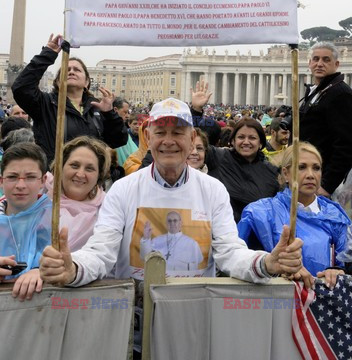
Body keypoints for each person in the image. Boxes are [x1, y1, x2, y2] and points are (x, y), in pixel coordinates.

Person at [40, 97, 304, 290]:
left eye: (178, 133)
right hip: (133, 314)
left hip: (192, 312)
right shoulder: (123, 189)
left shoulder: (213, 190)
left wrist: (267, 263)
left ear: (192, 140)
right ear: (148, 137)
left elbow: (229, 252)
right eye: (160, 133)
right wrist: (72, 268)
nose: (168, 141)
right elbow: (101, 252)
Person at [238, 142, 351, 288]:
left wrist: (337, 271)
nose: (310, 175)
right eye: (302, 167)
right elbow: (241, 260)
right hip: (275, 301)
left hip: (324, 302)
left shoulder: (335, 214)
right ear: (286, 173)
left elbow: (346, 261)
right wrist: (277, 269)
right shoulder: (259, 213)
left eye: (316, 168)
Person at [12, 34, 128, 164]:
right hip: (56, 177)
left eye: (77, 70)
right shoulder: (45, 104)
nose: (71, 72)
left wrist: (109, 113)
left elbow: (119, 140)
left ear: (87, 82)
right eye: (66, 70)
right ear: (57, 81)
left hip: (90, 176)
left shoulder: (97, 108)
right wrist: (48, 54)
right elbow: (21, 88)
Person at [190, 82, 279, 222]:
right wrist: (196, 110)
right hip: (221, 232)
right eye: (241, 137)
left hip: (256, 236)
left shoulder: (272, 171)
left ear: (261, 142)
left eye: (252, 138)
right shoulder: (218, 157)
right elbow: (193, 138)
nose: (246, 142)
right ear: (232, 141)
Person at [300, 42, 352, 196]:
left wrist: (327, 186)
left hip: (321, 180)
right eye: (315, 59)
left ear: (336, 64)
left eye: (326, 60)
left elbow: (346, 145)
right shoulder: (319, 91)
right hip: (309, 173)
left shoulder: (341, 93)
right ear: (309, 63)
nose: (319, 64)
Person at [0, 143, 51, 301]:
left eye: (30, 177)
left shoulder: (56, 219)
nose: (20, 185)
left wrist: (41, 271)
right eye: (12, 177)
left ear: (43, 180)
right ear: (1, 181)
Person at [46, 136, 111, 252]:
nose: (80, 174)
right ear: (60, 167)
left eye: (89, 169)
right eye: (74, 165)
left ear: (99, 176)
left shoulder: (107, 210)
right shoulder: (38, 196)